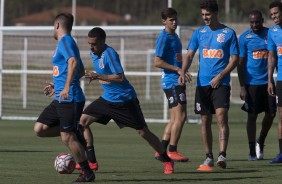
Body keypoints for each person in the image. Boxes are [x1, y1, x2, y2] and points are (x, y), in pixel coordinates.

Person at [79, 27, 174, 175]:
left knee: (143, 132)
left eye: (94, 44)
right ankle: (91, 162)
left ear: (103, 42)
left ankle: (166, 160)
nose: (91, 47)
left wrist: (97, 76)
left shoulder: (109, 54)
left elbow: (119, 77)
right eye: (89, 43)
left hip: (125, 101)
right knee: (82, 122)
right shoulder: (94, 53)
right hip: (107, 100)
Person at [33, 13, 95, 182]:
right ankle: (75, 131)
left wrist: (66, 86)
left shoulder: (66, 41)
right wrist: (58, 85)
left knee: (66, 137)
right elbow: (80, 71)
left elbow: (73, 62)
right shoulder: (67, 43)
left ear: (58, 25)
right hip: (62, 97)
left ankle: (87, 172)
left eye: (53, 27)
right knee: (40, 129)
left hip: (70, 98)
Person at [180, 0, 239, 171]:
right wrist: (183, 71)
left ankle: (222, 155)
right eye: (203, 15)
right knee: (205, 119)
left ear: (215, 13)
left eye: (208, 14)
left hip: (221, 83)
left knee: (221, 117)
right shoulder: (199, 33)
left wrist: (221, 76)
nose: (205, 18)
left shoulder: (228, 33)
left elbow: (234, 59)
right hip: (202, 83)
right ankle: (208, 157)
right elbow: (190, 55)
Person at [237, 10, 276, 161]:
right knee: (252, 116)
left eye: (257, 22)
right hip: (251, 83)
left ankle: (261, 140)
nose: (254, 25)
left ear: (262, 20)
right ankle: (252, 150)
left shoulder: (270, 34)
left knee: (271, 114)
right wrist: (242, 86)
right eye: (252, 22)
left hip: (268, 82)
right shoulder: (245, 38)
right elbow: (240, 64)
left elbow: (275, 56)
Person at [153, 7, 191, 162]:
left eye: (176, 19)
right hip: (172, 82)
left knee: (174, 118)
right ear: (164, 21)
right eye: (171, 20)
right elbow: (157, 62)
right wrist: (177, 69)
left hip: (176, 80)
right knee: (181, 116)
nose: (175, 22)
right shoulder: (164, 38)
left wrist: (182, 70)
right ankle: (172, 150)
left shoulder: (174, 36)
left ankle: (160, 150)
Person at [268, 1, 282, 164]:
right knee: (281, 117)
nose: (274, 17)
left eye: (276, 13)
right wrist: (269, 79)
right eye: (271, 15)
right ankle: (281, 153)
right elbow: (271, 57)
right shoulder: (273, 32)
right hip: (281, 80)